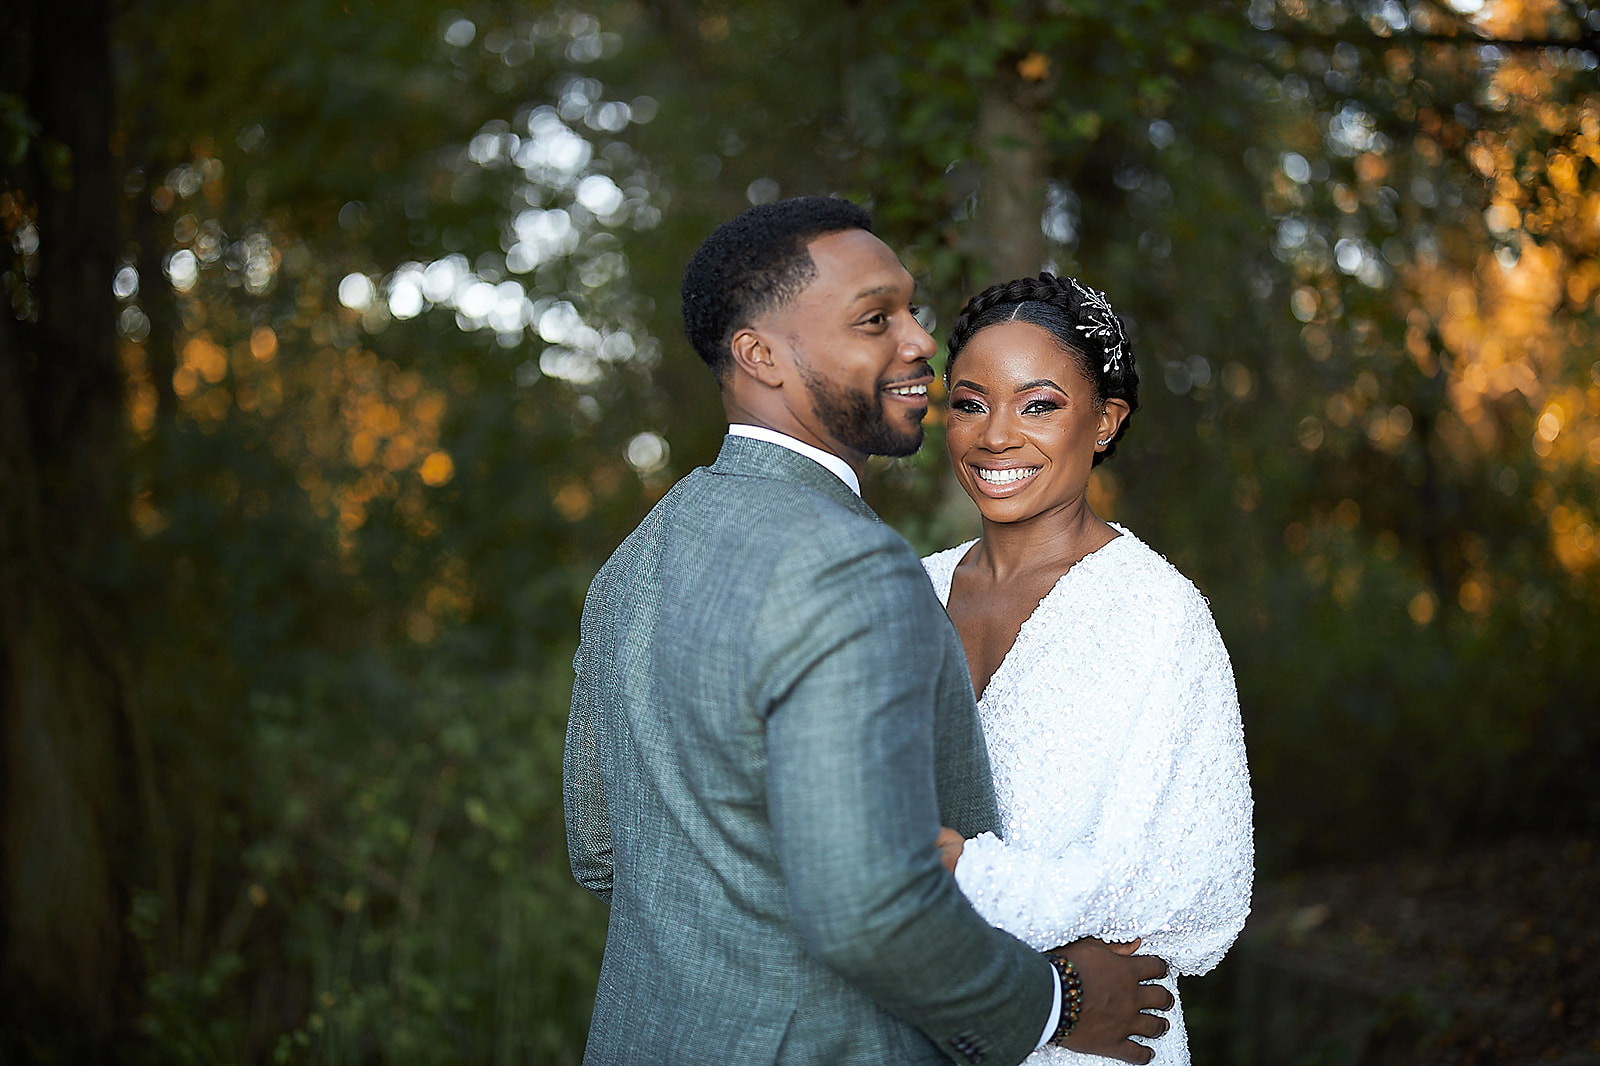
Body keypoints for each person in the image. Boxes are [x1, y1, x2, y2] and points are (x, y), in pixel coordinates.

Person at [563, 199, 1173, 1066]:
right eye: (874, 319)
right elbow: (870, 905)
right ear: (760, 355)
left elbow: (601, 851)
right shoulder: (851, 564)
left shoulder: (636, 559)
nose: (921, 341)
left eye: (911, 311)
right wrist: (1056, 1002)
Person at [922, 273, 1255, 1065]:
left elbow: (1198, 890)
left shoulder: (1157, 615)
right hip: (914, 1032)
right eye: (970, 403)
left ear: (1105, 421)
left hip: (1097, 1040)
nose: (996, 434)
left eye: (1038, 404)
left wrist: (960, 868)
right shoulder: (907, 591)